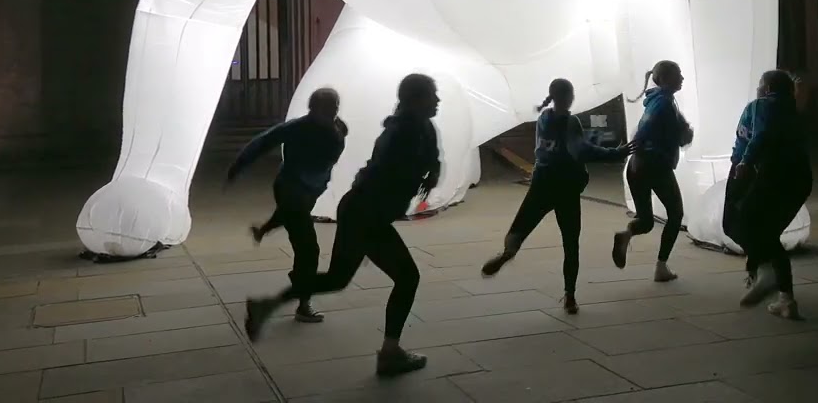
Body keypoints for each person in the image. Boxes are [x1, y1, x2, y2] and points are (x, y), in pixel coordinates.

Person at [244, 73, 442, 377]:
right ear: (416, 100)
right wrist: (367, 236)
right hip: (367, 214)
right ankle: (390, 353)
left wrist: (431, 171)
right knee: (407, 277)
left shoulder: (414, 126)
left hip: (362, 212)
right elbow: (386, 173)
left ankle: (267, 305)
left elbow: (422, 161)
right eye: (432, 95)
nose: (437, 100)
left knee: (337, 279)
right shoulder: (406, 131)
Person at [481, 79, 633, 314]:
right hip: (566, 188)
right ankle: (570, 296)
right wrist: (616, 153)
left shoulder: (543, 118)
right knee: (570, 243)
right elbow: (580, 150)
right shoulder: (570, 122)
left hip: (542, 183)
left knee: (521, 226)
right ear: (570, 97)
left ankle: (508, 253)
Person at [225, 87, 347, 324]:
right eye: (326, 108)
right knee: (308, 249)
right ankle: (303, 303)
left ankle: (262, 230)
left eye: (334, 107)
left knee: (289, 216)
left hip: (310, 190)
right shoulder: (297, 128)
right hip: (291, 189)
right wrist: (238, 166)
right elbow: (262, 142)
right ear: (312, 109)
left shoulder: (337, 128)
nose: (331, 113)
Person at [726, 70, 813, 319]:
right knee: (767, 234)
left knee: (744, 225)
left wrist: (744, 162)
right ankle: (785, 297)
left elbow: (760, 135)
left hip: (765, 172)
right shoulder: (789, 109)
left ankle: (765, 273)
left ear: (765, 88)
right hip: (797, 177)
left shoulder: (762, 105)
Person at [612, 60, 693, 282]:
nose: (682, 78)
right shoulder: (665, 104)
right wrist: (683, 133)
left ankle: (626, 234)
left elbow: (643, 132)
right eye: (678, 74)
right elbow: (663, 133)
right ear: (666, 79)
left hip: (637, 165)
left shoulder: (654, 101)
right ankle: (661, 267)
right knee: (675, 214)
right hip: (655, 166)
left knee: (646, 221)